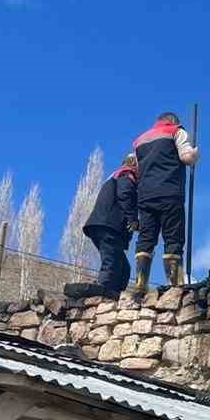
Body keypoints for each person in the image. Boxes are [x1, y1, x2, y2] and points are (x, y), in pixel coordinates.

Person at [131, 111, 199, 290]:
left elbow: (137, 169)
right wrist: (194, 155)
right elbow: (186, 157)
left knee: (146, 239)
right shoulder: (176, 131)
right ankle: (175, 285)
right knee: (173, 238)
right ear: (173, 121)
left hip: (145, 196)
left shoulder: (139, 140)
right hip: (170, 193)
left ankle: (140, 284)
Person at [64, 153, 138, 299]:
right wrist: (133, 219)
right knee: (111, 261)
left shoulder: (115, 176)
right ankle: (102, 292)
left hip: (102, 225)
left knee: (123, 267)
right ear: (134, 163)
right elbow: (125, 194)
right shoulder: (126, 175)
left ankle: (114, 294)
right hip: (109, 226)